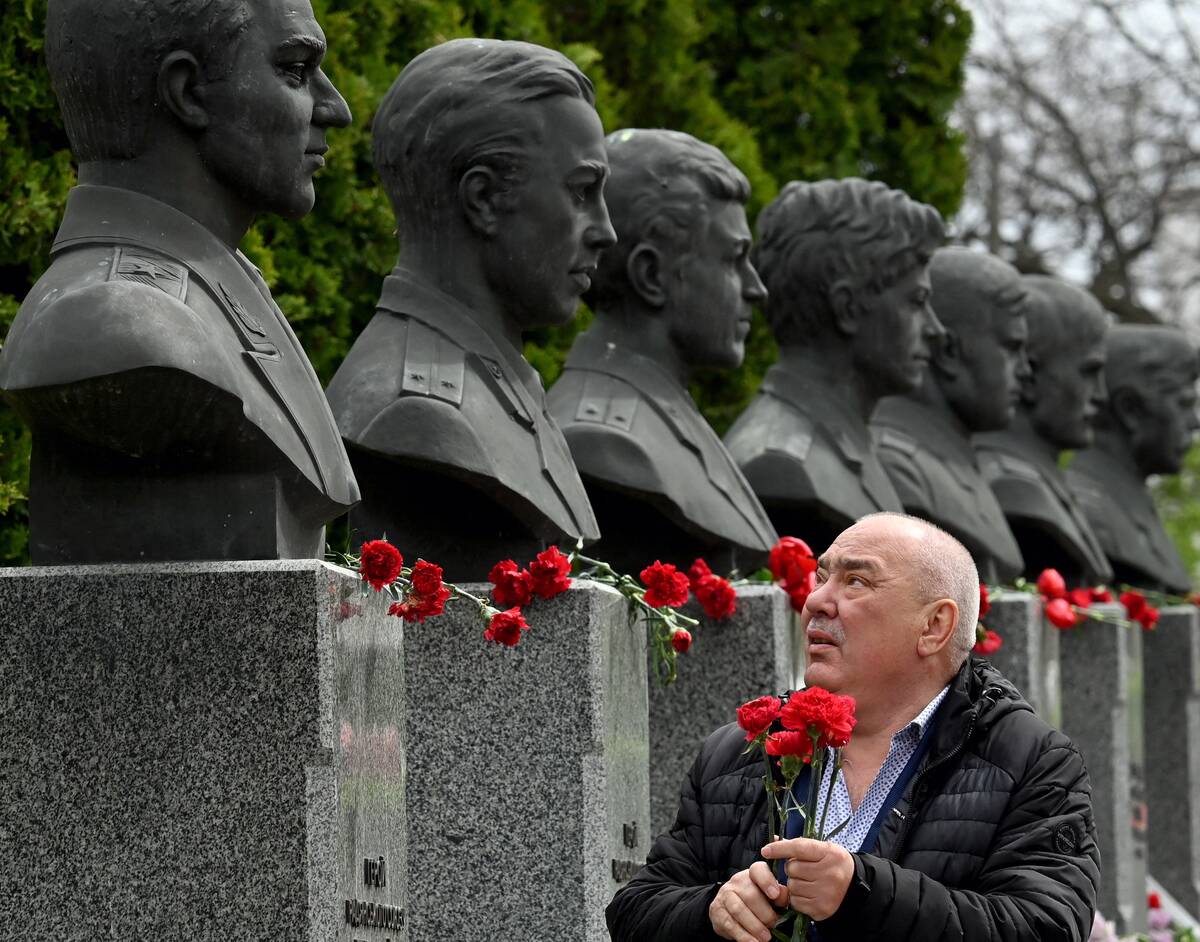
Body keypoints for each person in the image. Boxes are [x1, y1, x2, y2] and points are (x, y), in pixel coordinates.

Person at [607, 512, 1100, 942]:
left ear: (934, 627)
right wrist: (711, 911)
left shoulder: (1030, 762)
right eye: (821, 578)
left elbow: (1046, 926)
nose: (818, 601)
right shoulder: (739, 749)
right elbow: (635, 910)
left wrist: (863, 893)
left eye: (856, 582)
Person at [0, 0, 359, 563]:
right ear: (188, 92)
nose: (335, 109)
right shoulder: (112, 321)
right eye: (293, 70)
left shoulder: (215, 288)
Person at [325, 39, 613, 577]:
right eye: (581, 191)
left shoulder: (494, 380)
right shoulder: (414, 409)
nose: (606, 230)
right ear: (482, 199)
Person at [547, 128, 777, 574]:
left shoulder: (666, 411)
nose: (756, 287)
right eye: (734, 259)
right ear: (652, 275)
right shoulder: (602, 439)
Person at [723, 179, 945, 556]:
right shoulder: (783, 463)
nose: (936, 330)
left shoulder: (849, 445)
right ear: (848, 307)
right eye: (917, 301)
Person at [871, 247, 1029, 583]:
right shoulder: (899, 466)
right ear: (948, 351)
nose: (1026, 371)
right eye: (1012, 348)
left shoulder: (959, 464)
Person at [974, 275, 1113, 587]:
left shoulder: (1042, 485)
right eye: (1089, 372)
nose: (1102, 395)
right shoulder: (1012, 486)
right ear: (1032, 373)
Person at [1065, 325, 1200, 593]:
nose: (1195, 422)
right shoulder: (1087, 512)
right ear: (1130, 410)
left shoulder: (1129, 505)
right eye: (1184, 404)